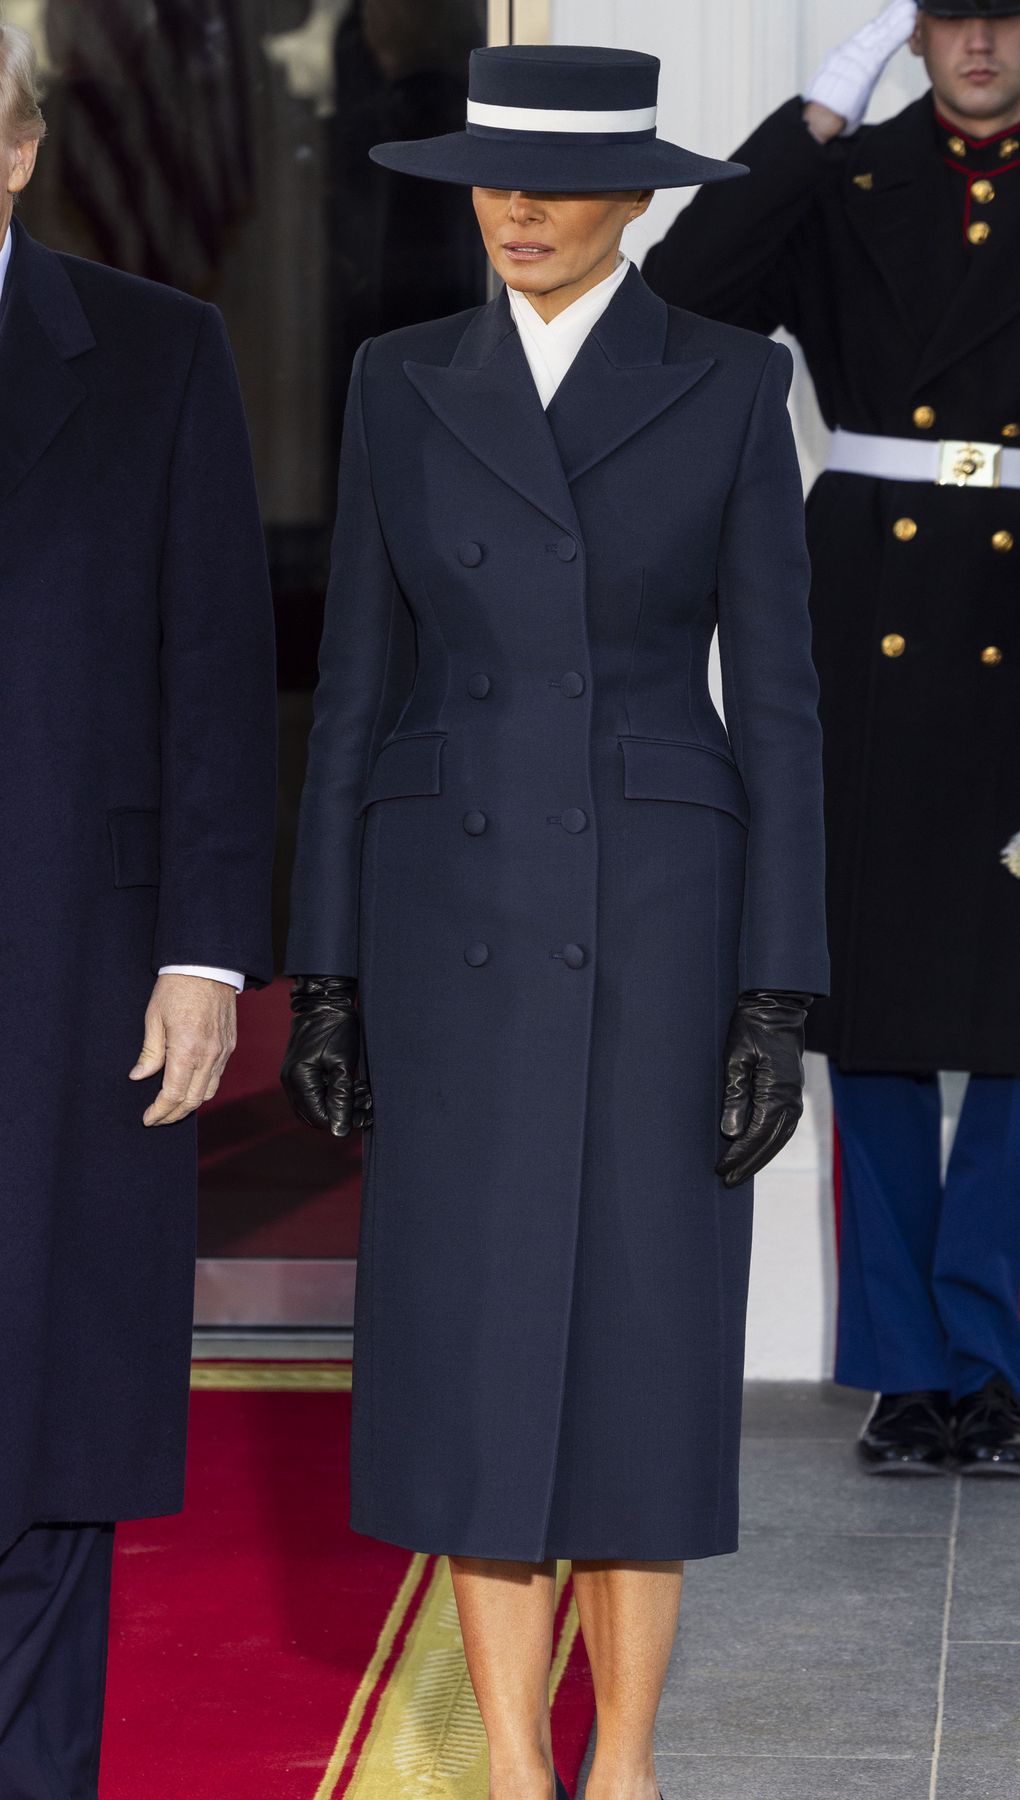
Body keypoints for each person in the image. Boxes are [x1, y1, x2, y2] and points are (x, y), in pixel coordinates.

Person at [282, 42, 827, 1800]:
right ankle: (519, 1767)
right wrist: (331, 970)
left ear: (640, 196)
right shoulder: (398, 380)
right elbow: (357, 691)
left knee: (642, 1347)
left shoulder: (732, 382)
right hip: (449, 916)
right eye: (489, 177)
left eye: (554, 178)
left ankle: (630, 1767)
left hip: (663, 919)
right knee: (474, 1348)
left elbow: (789, 704)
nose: (511, 207)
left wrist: (777, 993)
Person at [644, 0, 1020, 1478]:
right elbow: (691, 294)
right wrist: (815, 118)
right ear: (915, 32)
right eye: (949, 18)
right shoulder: (854, 175)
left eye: (1002, 16)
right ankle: (906, 1371)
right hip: (873, 613)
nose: (977, 45)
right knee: (879, 1013)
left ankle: (994, 1369)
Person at [0, 26, 277, 1798]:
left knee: (49, 1415)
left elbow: (216, 682)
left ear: (16, 146)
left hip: (73, 978)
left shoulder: (159, 355)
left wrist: (203, 952)